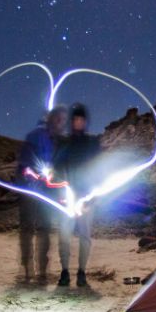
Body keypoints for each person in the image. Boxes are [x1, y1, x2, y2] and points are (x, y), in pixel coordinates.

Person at [16, 105, 67, 285]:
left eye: (62, 120)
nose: (61, 123)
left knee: (44, 229)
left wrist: (56, 179)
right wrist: (32, 175)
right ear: (51, 119)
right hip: (30, 190)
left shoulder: (58, 142)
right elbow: (24, 163)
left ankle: (42, 271)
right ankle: (27, 268)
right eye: (58, 119)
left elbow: (61, 167)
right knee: (28, 228)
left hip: (47, 192)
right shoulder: (34, 137)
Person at [53, 102, 101, 287]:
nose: (78, 122)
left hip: (86, 197)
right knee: (64, 235)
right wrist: (60, 191)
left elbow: (99, 170)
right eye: (75, 119)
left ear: (85, 121)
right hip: (67, 197)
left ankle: (82, 273)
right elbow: (57, 169)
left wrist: (93, 197)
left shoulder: (92, 143)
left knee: (85, 236)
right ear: (72, 121)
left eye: (81, 119)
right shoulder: (64, 143)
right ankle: (64, 272)